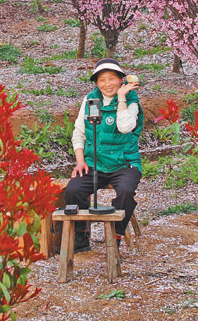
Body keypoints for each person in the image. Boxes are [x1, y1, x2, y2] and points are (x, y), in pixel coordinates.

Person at [64, 58, 143, 253]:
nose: (107, 84)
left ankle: (114, 237)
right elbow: (79, 132)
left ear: (121, 80)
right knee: (73, 190)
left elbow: (125, 127)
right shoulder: (92, 100)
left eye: (112, 78)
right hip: (95, 163)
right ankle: (81, 237)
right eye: (102, 80)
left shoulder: (131, 100)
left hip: (124, 163)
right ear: (97, 83)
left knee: (125, 193)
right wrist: (80, 161)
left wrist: (122, 98)